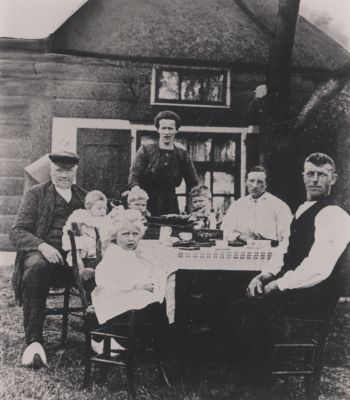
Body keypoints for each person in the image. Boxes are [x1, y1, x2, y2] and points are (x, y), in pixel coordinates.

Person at [217, 153, 350, 348]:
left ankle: (254, 374)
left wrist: (278, 285)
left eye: (321, 174)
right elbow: (284, 249)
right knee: (231, 304)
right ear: (303, 176)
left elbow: (318, 268)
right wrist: (264, 276)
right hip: (293, 290)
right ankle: (237, 368)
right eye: (310, 173)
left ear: (333, 179)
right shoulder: (302, 210)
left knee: (240, 313)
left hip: (312, 296)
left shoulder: (334, 215)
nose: (314, 179)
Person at [9, 151, 85, 369]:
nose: (63, 175)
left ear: (75, 171)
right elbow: (17, 231)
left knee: (102, 269)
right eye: (59, 170)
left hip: (75, 259)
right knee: (35, 268)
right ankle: (34, 343)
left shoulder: (83, 196)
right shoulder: (36, 194)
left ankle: (100, 336)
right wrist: (42, 246)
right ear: (50, 170)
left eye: (68, 171)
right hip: (42, 256)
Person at [91, 210, 168, 351]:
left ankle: (152, 341)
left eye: (135, 234)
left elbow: (138, 272)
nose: (131, 239)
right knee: (153, 303)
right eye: (125, 234)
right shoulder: (113, 254)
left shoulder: (128, 254)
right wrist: (137, 286)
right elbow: (106, 279)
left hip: (128, 294)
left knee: (159, 298)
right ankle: (117, 340)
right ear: (115, 236)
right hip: (115, 296)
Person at [128, 111, 199, 216]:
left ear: (176, 130)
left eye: (170, 129)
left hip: (170, 204)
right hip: (146, 204)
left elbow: (193, 184)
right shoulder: (145, 151)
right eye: (163, 128)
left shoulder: (182, 154)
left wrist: (192, 209)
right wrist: (138, 198)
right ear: (158, 129)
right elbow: (134, 179)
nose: (166, 132)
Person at [222, 166, 292, 251]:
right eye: (251, 181)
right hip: (241, 254)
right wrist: (241, 236)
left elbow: (287, 237)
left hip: (270, 254)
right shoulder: (237, 205)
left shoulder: (279, 206)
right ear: (246, 182)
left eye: (260, 182)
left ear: (266, 184)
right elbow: (225, 231)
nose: (255, 186)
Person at [61, 190, 112, 281]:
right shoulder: (82, 218)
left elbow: (108, 235)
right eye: (99, 209)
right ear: (89, 208)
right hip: (85, 253)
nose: (103, 212)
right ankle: (83, 271)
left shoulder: (105, 220)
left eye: (104, 208)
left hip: (100, 252)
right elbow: (69, 232)